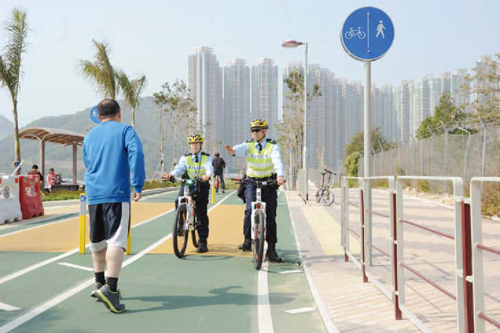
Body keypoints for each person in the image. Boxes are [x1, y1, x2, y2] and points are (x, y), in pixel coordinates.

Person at [83, 99, 145, 313]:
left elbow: (87, 162)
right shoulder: (125, 130)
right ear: (119, 113)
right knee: (116, 241)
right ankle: (111, 289)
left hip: (93, 194)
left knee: (97, 241)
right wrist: (137, 183)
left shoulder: (90, 135)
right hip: (116, 192)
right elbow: (136, 153)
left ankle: (98, 282)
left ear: (98, 116)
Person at [224, 118, 286, 262]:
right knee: (249, 209)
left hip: (269, 182)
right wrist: (232, 151)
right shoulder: (249, 144)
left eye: (257, 130)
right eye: (252, 130)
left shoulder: (272, 146)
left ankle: (271, 250)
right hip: (252, 181)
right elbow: (238, 149)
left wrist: (280, 176)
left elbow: (277, 160)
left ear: (264, 131)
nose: (254, 133)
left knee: (271, 216)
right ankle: (247, 239)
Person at [163, 133, 213, 253]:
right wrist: (172, 174)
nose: (194, 146)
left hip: (202, 184)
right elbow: (179, 168)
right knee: (178, 201)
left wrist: (207, 176)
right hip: (189, 183)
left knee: (201, 213)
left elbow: (209, 168)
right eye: (191, 144)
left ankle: (202, 241)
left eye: (196, 143)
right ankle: (180, 223)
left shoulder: (206, 157)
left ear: (200, 145)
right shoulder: (185, 157)